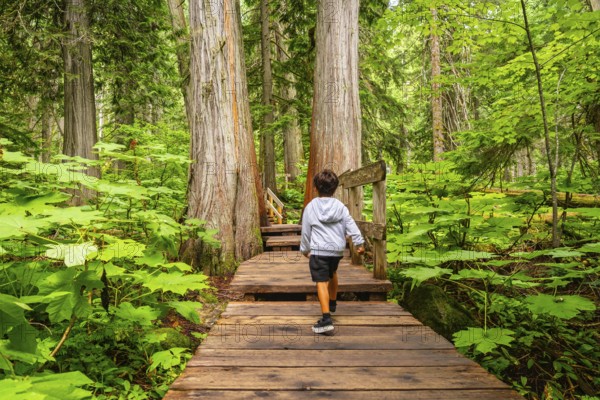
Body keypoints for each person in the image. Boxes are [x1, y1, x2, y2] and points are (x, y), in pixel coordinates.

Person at [300, 169, 365, 334]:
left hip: (319, 250)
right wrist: (359, 242)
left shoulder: (311, 207)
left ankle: (326, 319)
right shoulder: (340, 207)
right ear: (335, 188)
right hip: (336, 250)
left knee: (321, 281)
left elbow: (306, 231)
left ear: (316, 187)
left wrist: (305, 249)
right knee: (332, 272)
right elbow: (350, 224)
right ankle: (333, 301)